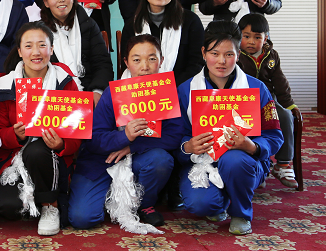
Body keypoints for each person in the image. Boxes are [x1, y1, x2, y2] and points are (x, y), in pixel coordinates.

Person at [176, 21, 283, 235]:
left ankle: (241, 213)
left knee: (234, 160)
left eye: (229, 54)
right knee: (200, 204)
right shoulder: (186, 90)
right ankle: (219, 201)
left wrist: (252, 146)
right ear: (203, 53)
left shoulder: (257, 88)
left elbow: (274, 136)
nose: (222, 61)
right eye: (214, 54)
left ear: (239, 54)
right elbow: (175, 136)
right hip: (203, 162)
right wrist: (187, 147)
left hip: (245, 161)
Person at [69, 35, 181, 230]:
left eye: (152, 59)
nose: (144, 66)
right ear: (126, 63)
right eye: (137, 60)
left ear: (161, 60)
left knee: (161, 160)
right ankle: (109, 196)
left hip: (141, 158)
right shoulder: (111, 93)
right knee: (82, 219)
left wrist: (132, 145)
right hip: (102, 160)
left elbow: (174, 136)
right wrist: (124, 136)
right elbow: (94, 139)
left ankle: (144, 205)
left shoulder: (167, 92)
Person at [0, 21, 80, 236]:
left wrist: (62, 144)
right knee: (9, 208)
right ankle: (35, 197)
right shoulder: (2, 86)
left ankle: (49, 205)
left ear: (51, 49)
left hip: (50, 157)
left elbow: (78, 132)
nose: (36, 52)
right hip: (14, 157)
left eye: (42, 45)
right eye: (28, 46)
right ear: (19, 51)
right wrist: (14, 135)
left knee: (36, 150)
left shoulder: (66, 83)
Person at [237, 14, 299, 188]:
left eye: (257, 37)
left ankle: (283, 164)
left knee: (285, 116)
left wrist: (289, 104)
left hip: (267, 101)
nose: (251, 41)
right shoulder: (236, 54)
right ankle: (258, 164)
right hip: (243, 102)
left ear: (265, 39)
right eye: (246, 36)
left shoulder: (271, 56)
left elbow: (280, 82)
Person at [120, 0, 205, 86]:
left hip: (183, 89)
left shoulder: (191, 21)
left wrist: (170, 88)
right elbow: (128, 64)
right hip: (142, 89)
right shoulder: (132, 25)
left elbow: (196, 64)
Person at [40, 0, 113, 101]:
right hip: (52, 97)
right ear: (46, 2)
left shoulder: (88, 25)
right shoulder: (39, 31)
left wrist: (97, 91)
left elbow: (102, 63)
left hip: (88, 93)